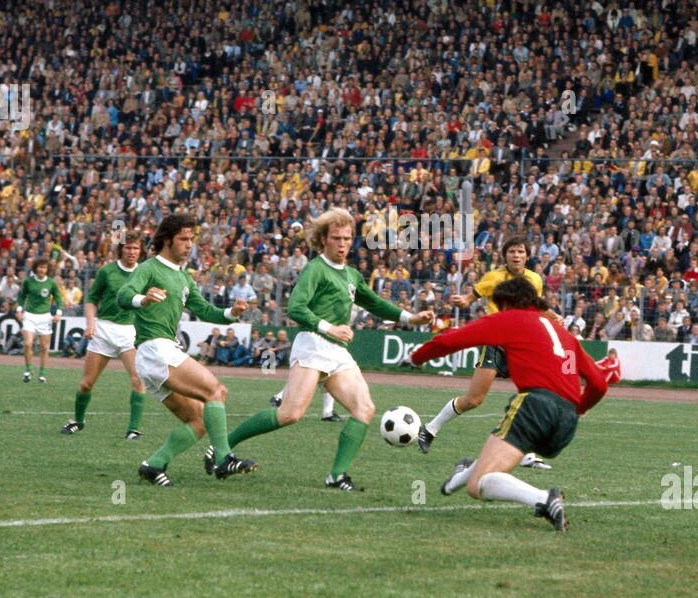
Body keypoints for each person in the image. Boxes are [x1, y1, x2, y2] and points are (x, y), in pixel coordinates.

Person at [225, 207, 433, 491]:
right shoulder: (315, 269)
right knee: (290, 414)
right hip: (313, 343)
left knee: (364, 408)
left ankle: (337, 475)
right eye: (337, 238)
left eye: (347, 238)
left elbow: (374, 302)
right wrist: (329, 327)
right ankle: (222, 447)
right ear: (323, 240)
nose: (343, 244)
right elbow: (296, 308)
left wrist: (410, 318)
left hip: (336, 349)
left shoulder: (350, 274)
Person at [407, 277, 610, 532]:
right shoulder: (563, 335)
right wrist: (578, 409)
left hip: (535, 406)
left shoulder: (510, 318)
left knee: (478, 485)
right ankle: (455, 480)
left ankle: (544, 499)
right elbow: (599, 385)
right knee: (492, 460)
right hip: (566, 422)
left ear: (505, 303)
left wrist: (416, 357)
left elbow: (450, 340)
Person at [117, 213, 254, 487]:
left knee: (200, 420)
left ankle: (154, 464)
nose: (189, 244)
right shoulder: (149, 268)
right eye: (183, 239)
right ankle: (224, 457)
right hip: (156, 349)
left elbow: (204, 309)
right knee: (217, 391)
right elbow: (123, 295)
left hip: (153, 358)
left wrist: (231, 312)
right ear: (166, 240)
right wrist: (142, 299)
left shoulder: (183, 277)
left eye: (191, 239)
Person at [416, 236, 550, 468]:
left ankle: (525, 453)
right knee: (474, 399)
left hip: (522, 345)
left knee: (532, 397)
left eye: (520, 252)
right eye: (512, 252)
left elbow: (533, 308)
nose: (516, 256)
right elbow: (470, 298)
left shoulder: (535, 279)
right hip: (496, 342)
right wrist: (463, 301)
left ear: (527, 256)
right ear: (504, 255)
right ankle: (430, 429)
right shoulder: (493, 278)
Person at [61, 235, 147, 440]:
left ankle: (133, 429)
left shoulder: (145, 273)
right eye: (128, 248)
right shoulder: (107, 271)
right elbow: (91, 299)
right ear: (121, 250)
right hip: (104, 329)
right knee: (86, 384)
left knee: (138, 380)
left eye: (136, 248)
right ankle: (78, 421)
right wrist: (90, 323)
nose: (132, 252)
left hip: (130, 332)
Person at [15, 258, 62, 383]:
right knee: (28, 343)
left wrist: (58, 313)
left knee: (44, 347)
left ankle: (42, 374)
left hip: (44, 317)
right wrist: (19, 310)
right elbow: (21, 297)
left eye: (44, 267)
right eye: (40, 267)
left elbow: (59, 298)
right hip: (29, 316)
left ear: (47, 270)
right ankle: (28, 370)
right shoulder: (28, 282)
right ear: (35, 268)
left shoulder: (51, 283)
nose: (42, 269)